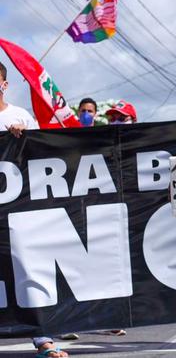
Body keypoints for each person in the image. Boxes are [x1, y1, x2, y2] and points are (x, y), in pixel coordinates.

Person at [1, 62, 68, 358]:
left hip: (15, 209)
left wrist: (23, 136)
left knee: (24, 270)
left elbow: (41, 154)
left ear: (4, 84)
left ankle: (43, 339)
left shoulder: (20, 116)